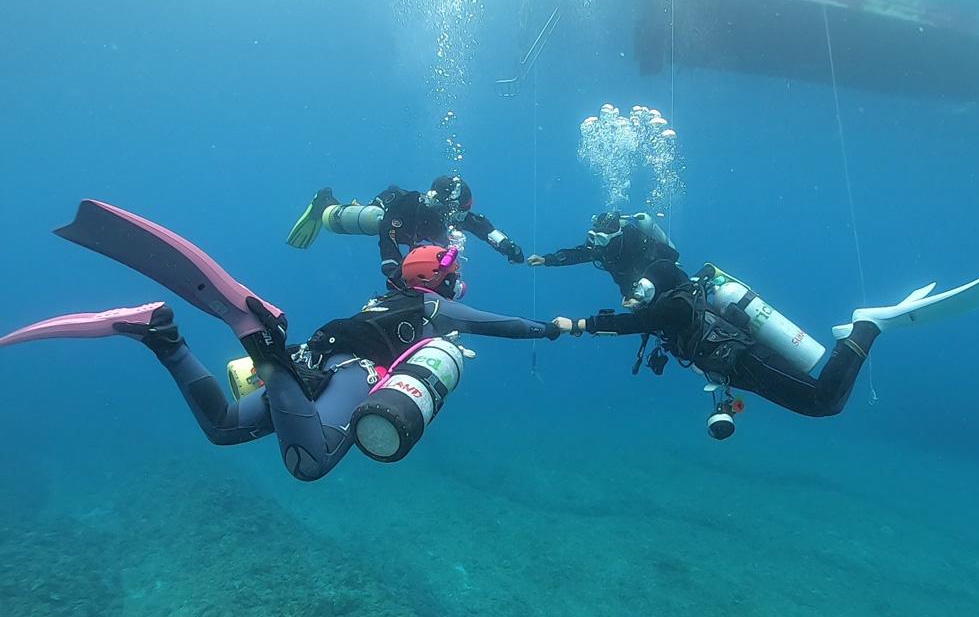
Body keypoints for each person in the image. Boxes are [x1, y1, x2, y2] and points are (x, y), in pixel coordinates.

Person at [0, 200, 560, 481]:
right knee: (309, 464)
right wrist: (551, 328)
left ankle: (162, 336)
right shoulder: (433, 306)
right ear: (439, 280)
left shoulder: (388, 294)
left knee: (223, 429)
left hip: (310, 363)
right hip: (345, 375)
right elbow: (498, 323)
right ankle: (255, 332)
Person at [554, 263, 979, 437]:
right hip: (737, 370)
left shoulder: (673, 306)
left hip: (746, 360)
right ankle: (860, 331)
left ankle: (866, 327)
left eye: (639, 288)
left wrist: (579, 325)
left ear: (657, 287)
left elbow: (633, 322)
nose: (634, 295)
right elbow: (641, 318)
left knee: (823, 402)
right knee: (821, 405)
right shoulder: (678, 301)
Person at [288, 175, 526, 288]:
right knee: (374, 218)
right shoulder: (408, 206)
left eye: (464, 210)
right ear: (443, 205)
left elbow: (482, 228)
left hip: (410, 233)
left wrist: (507, 246)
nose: (460, 216)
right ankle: (324, 204)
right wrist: (393, 269)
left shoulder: (453, 217)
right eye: (460, 209)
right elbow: (387, 236)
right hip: (388, 213)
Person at [528, 210, 679, 308]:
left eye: (601, 238)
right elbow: (577, 254)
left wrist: (644, 288)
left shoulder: (636, 240)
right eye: (594, 237)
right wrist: (546, 260)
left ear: (616, 236)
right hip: (634, 295)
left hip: (659, 289)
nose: (597, 244)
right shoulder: (600, 249)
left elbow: (672, 257)